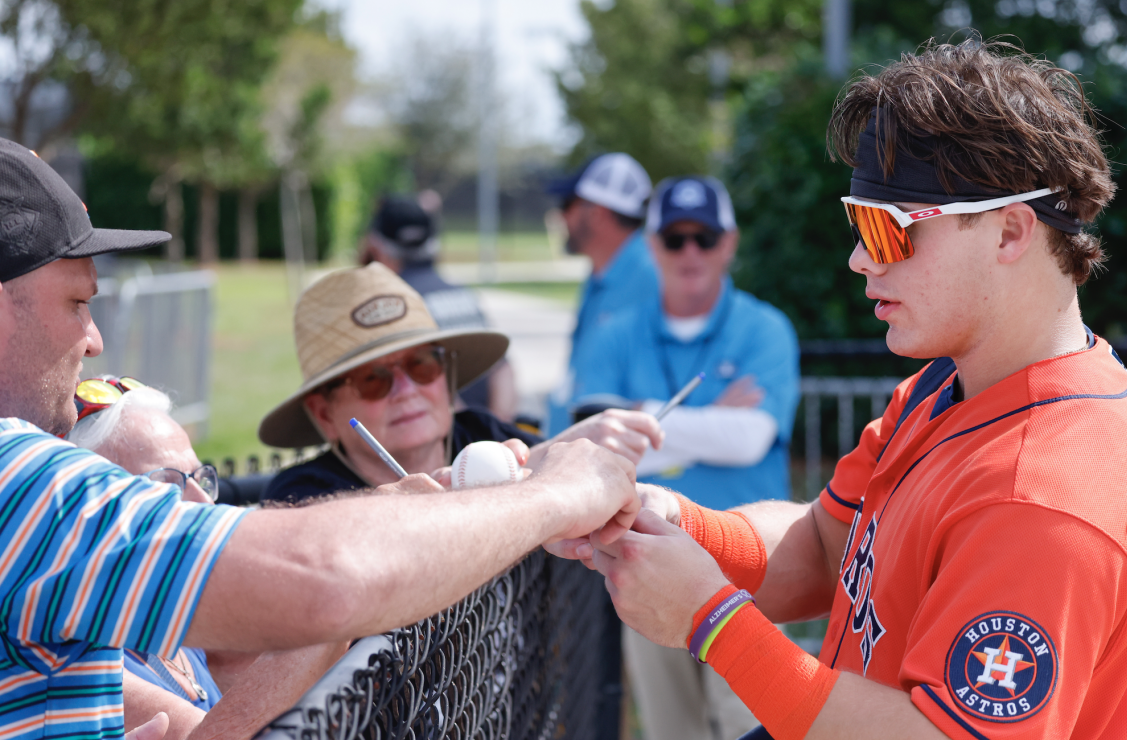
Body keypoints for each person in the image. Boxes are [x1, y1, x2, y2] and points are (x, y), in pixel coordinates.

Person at [558, 41, 1127, 740]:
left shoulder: (1045, 497)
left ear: (1010, 231)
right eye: (859, 221)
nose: (858, 258)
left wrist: (710, 621)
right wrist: (659, 514)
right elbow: (826, 548)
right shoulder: (949, 385)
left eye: (888, 229)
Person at [0, 135, 644, 740]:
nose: (95, 338)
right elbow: (325, 576)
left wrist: (394, 527)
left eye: (423, 366)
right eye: (78, 303)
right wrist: (556, 495)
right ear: (324, 411)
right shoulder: (14, 479)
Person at [572, 176, 799, 740]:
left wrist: (642, 418)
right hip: (643, 566)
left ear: (729, 242)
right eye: (675, 238)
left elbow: (750, 439)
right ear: (652, 245)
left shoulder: (766, 328)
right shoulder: (615, 332)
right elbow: (587, 451)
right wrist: (711, 418)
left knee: (754, 728)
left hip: (749, 574)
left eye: (705, 236)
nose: (691, 251)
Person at [67, 383, 347, 740]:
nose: (203, 503)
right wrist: (341, 600)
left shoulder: (166, 608)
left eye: (200, 478)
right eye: (168, 486)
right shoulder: (81, 657)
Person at [259, 262, 664, 502]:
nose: (407, 390)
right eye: (372, 379)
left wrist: (573, 445)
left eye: (421, 365)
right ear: (324, 413)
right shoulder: (301, 499)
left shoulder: (480, 434)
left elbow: (535, 463)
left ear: (445, 373)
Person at [360, 190, 518, 421]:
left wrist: (469, 434)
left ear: (376, 247)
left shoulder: (393, 308)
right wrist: (495, 431)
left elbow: (432, 389)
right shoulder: (462, 295)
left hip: (450, 443)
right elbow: (503, 370)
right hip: (485, 443)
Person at [545, 153, 658, 435]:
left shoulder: (654, 278)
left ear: (596, 213)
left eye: (567, 205)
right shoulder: (601, 275)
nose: (561, 216)